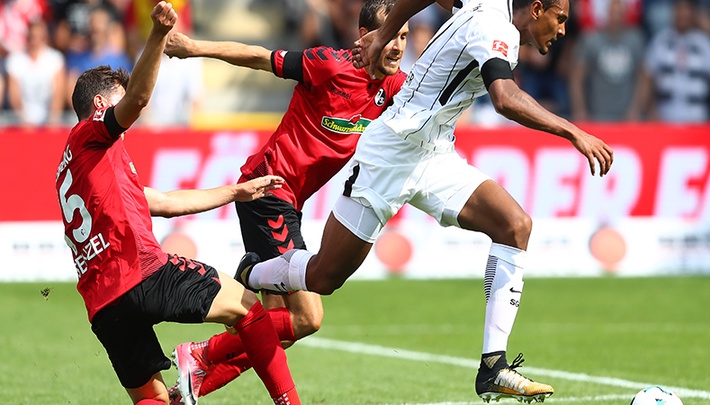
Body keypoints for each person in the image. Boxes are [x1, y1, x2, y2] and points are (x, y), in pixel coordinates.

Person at [237, 0, 614, 402]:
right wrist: (574, 131)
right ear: (537, 8)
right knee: (323, 277)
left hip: (435, 155)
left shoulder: (483, 4)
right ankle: (253, 273)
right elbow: (504, 98)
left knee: (515, 225)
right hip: (391, 152)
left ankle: (493, 366)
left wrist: (386, 32)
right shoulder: (497, 29)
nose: (563, 30)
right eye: (560, 19)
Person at [54, 3, 301, 405]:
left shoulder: (81, 166)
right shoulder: (91, 135)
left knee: (153, 399)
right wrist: (157, 34)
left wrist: (235, 192)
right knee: (247, 308)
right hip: (140, 272)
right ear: (100, 105)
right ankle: (281, 397)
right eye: (116, 100)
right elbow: (139, 98)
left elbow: (166, 202)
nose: (125, 109)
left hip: (103, 305)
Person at [162, 0, 409, 402]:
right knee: (308, 317)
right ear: (365, 37)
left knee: (281, 328)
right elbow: (258, 57)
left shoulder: (395, 89)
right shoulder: (328, 65)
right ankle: (203, 352)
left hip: (288, 202)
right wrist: (193, 47)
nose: (398, 46)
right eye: (391, 35)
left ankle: (187, 390)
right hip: (266, 190)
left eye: (404, 35)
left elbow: (438, 89)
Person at [634, 0, 710, 123]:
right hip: (665, 121)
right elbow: (646, 80)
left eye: (686, 10)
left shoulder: (705, 44)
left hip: (698, 122)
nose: (682, 14)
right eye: (679, 9)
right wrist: (649, 111)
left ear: (693, 13)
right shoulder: (661, 41)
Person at [569, 0, 644, 121]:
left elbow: (643, 78)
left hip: (626, 118)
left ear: (625, 15)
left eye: (619, 13)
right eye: (613, 13)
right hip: (597, 115)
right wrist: (580, 110)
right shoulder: (592, 39)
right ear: (606, 14)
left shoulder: (635, 40)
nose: (616, 18)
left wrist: (636, 109)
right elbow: (577, 78)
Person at [6, 19, 66, 126]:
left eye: (39, 37)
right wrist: (23, 120)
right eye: (32, 37)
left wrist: (52, 121)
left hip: (48, 119)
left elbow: (58, 94)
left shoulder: (55, 59)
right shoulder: (15, 59)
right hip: (22, 121)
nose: (35, 41)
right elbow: (14, 95)